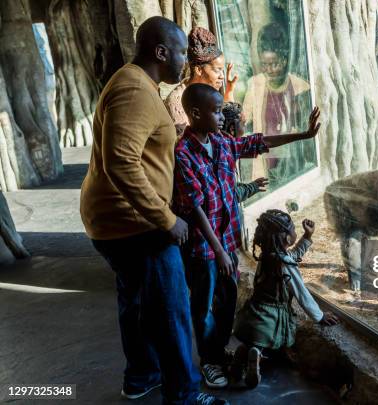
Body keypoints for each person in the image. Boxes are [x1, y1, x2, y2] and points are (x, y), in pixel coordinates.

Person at [80, 16, 227, 405]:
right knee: (172, 310)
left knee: (136, 302)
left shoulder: (136, 84)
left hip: (116, 221)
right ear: (161, 52)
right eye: (180, 52)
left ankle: (141, 377)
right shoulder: (134, 90)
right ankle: (184, 396)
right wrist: (166, 219)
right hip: (136, 224)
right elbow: (121, 162)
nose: (185, 61)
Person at [172, 83, 321, 389]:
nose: (222, 117)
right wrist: (220, 251)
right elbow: (195, 207)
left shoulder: (222, 142)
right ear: (196, 114)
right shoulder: (183, 153)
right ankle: (210, 361)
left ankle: (220, 350)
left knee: (226, 302)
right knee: (204, 307)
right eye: (216, 111)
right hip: (204, 248)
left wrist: (303, 135)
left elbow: (259, 142)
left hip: (226, 242)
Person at [232, 210, 339, 389]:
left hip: (253, 315)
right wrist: (319, 316)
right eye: (293, 229)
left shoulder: (267, 255)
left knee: (253, 341)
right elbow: (301, 293)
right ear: (287, 238)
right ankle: (257, 354)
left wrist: (307, 236)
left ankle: (242, 356)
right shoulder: (284, 264)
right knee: (268, 340)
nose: (295, 232)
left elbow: (291, 256)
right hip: (271, 318)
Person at [242, 22, 312, 184]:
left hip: (292, 161)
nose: (270, 70)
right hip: (265, 161)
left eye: (275, 63)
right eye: (265, 64)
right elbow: (244, 119)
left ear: (285, 60)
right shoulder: (254, 84)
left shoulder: (301, 86)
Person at [165, 27, 238, 136]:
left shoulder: (210, 92)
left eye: (222, 70)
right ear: (199, 69)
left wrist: (229, 91)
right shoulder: (176, 102)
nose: (222, 76)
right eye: (217, 70)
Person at [221, 101, 268, 203]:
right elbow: (231, 196)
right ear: (232, 128)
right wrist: (251, 187)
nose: (245, 128)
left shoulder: (221, 142)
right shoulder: (225, 150)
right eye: (243, 124)